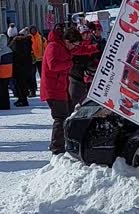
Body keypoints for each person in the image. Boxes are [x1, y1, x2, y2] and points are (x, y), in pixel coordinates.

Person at [41, 26, 98, 155]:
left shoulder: (64, 46)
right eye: (74, 44)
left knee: (66, 115)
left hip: (60, 87)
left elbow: (80, 50)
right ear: (67, 41)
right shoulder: (53, 47)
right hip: (53, 88)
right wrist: (69, 64)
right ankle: (56, 148)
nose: (74, 48)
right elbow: (53, 65)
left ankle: (61, 144)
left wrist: (96, 48)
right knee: (60, 118)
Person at [9, 28, 34, 107]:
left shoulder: (17, 42)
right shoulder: (27, 41)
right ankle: (22, 99)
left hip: (19, 66)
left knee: (20, 84)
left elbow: (15, 53)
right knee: (22, 84)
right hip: (26, 65)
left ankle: (23, 100)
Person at [30, 25, 47, 97]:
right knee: (32, 75)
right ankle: (33, 90)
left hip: (41, 59)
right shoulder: (29, 38)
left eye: (34, 29)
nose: (33, 31)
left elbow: (46, 47)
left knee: (42, 75)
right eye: (32, 30)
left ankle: (44, 88)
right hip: (32, 59)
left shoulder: (41, 38)